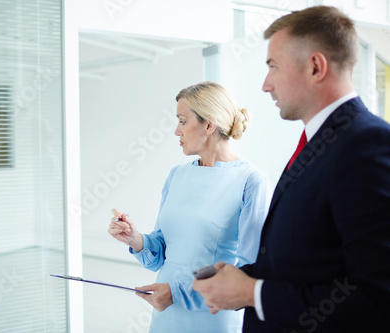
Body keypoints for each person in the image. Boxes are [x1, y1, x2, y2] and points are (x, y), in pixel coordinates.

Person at [193, 6, 390, 333]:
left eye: (273, 67)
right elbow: (313, 260)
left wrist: (250, 293)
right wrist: (242, 280)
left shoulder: (367, 145)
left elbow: (378, 301)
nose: (265, 85)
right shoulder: (322, 141)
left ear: (315, 67)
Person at [108, 81, 269, 333]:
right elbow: (161, 254)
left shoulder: (251, 181)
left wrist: (178, 294)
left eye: (182, 121)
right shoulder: (177, 175)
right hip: (166, 313)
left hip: (213, 316)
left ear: (208, 124)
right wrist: (136, 239)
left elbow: (250, 269)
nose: (176, 131)